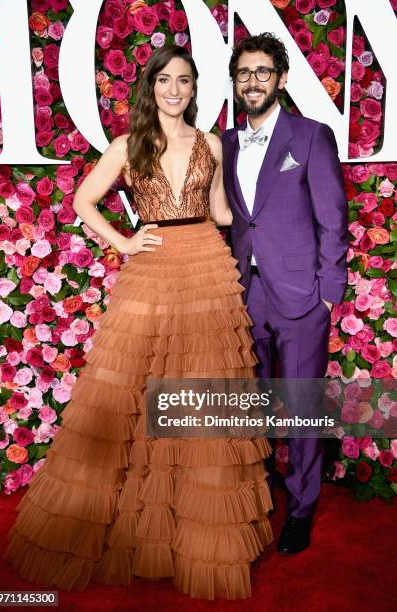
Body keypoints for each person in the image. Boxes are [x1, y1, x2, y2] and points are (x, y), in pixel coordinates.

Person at [4, 45, 273, 600]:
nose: (174, 90)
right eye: (165, 81)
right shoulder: (128, 146)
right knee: (137, 393)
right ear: (151, 88)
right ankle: (143, 528)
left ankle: (196, 535)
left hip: (206, 266)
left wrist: (273, 213)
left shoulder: (211, 143)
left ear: (196, 89)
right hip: (153, 266)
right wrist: (126, 240)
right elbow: (83, 200)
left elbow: (222, 210)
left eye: (184, 81)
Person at [222, 33, 348, 554]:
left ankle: (301, 511)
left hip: (301, 299)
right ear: (236, 81)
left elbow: (333, 219)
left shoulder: (310, 136)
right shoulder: (225, 142)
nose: (253, 81)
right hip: (246, 295)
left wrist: (328, 295)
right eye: (244, 73)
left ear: (281, 79)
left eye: (263, 72)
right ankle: (262, 498)